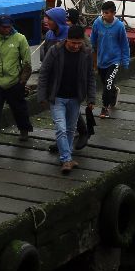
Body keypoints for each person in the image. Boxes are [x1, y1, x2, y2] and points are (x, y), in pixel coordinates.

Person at [38, 25, 96, 174]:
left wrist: (91, 98)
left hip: (75, 98)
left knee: (70, 129)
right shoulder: (55, 51)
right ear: (66, 40)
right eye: (73, 43)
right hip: (57, 97)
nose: (76, 46)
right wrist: (42, 95)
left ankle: (67, 156)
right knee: (61, 128)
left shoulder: (87, 53)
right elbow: (44, 73)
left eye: (79, 43)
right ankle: (66, 159)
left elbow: (90, 77)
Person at [0, 15, 34, 151]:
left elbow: (26, 63)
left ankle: (24, 129)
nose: (7, 29)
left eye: (9, 26)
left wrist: (22, 81)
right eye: (4, 27)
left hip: (15, 82)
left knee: (19, 108)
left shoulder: (20, 39)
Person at [91, 0, 130, 117]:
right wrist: (92, 59)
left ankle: (104, 108)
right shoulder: (97, 23)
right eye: (103, 12)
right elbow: (93, 41)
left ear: (114, 13)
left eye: (107, 13)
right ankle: (114, 91)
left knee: (108, 83)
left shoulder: (119, 26)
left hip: (114, 60)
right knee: (106, 84)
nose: (104, 15)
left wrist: (125, 60)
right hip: (101, 60)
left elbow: (124, 44)